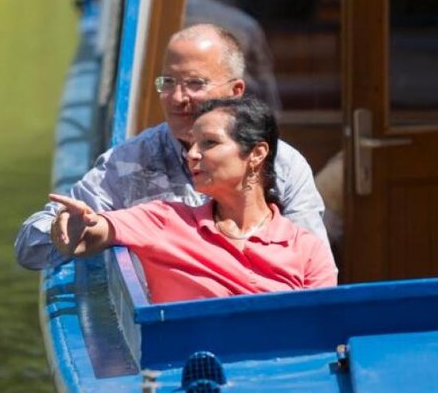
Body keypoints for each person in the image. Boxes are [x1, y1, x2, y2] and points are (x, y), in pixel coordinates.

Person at [16, 24, 327, 270]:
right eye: (168, 82)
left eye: (195, 84)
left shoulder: (283, 164)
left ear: (236, 92)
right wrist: (62, 234)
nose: (178, 98)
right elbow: (28, 247)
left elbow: (314, 264)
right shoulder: (128, 164)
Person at [48, 97, 337, 303]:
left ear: (257, 154)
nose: (191, 154)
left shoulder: (308, 250)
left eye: (209, 143)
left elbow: (324, 332)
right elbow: (90, 233)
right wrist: (71, 226)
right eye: (192, 144)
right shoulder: (163, 220)